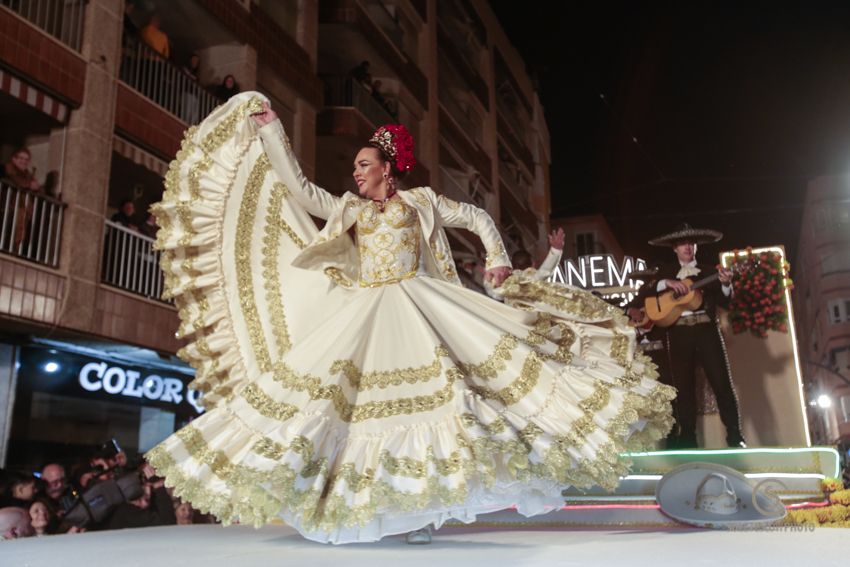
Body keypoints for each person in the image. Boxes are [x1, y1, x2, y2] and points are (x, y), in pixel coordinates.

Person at [146, 93, 674, 545]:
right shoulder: (352, 209)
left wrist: (495, 258)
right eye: (354, 167)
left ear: (387, 168)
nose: (355, 172)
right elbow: (302, 190)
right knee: (361, 413)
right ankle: (392, 507)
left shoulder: (419, 201)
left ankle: (425, 504)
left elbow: (477, 218)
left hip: (421, 303)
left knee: (453, 398)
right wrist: (272, 133)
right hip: (368, 310)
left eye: (363, 165)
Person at [646, 223, 745, 449]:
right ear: (674, 248)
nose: (687, 247)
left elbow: (726, 302)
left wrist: (727, 284)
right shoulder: (664, 272)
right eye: (682, 244)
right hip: (679, 333)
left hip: (706, 330)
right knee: (683, 386)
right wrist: (666, 283)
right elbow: (646, 291)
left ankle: (735, 435)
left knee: (721, 382)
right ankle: (688, 437)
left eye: (691, 243)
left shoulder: (711, 272)